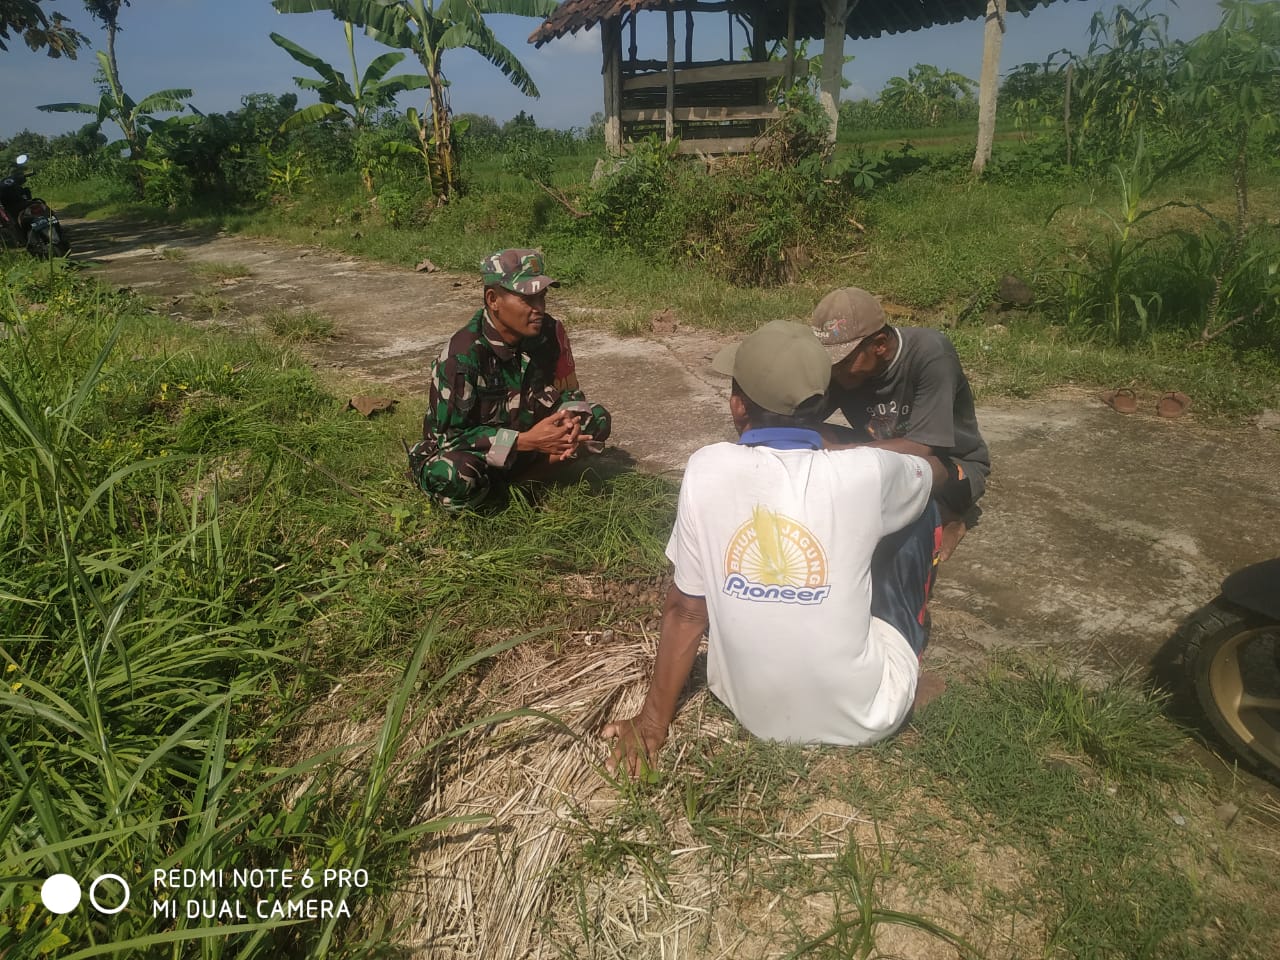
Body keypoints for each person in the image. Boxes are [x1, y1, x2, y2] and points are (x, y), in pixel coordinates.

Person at [602, 319, 952, 777]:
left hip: (750, 710)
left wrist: (652, 722)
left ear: (738, 406)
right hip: (868, 716)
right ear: (820, 404)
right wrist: (872, 463)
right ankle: (909, 659)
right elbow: (936, 470)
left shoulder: (706, 468)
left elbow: (687, 611)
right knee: (920, 507)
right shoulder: (870, 471)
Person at [407, 248, 611, 511]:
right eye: (527, 299)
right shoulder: (462, 356)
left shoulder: (549, 333)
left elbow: (569, 392)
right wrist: (526, 441)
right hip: (478, 455)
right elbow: (452, 439)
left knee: (596, 418)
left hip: (528, 445)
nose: (539, 308)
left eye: (542, 297)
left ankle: (525, 483)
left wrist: (569, 419)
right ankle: (497, 495)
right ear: (493, 300)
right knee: (456, 474)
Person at [809, 287, 990, 563]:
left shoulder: (931, 354)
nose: (834, 370)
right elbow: (800, 418)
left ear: (879, 345)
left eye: (843, 361)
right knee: (806, 435)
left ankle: (948, 517)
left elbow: (923, 448)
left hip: (949, 464)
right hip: (881, 453)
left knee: (921, 475)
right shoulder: (844, 372)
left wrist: (840, 454)